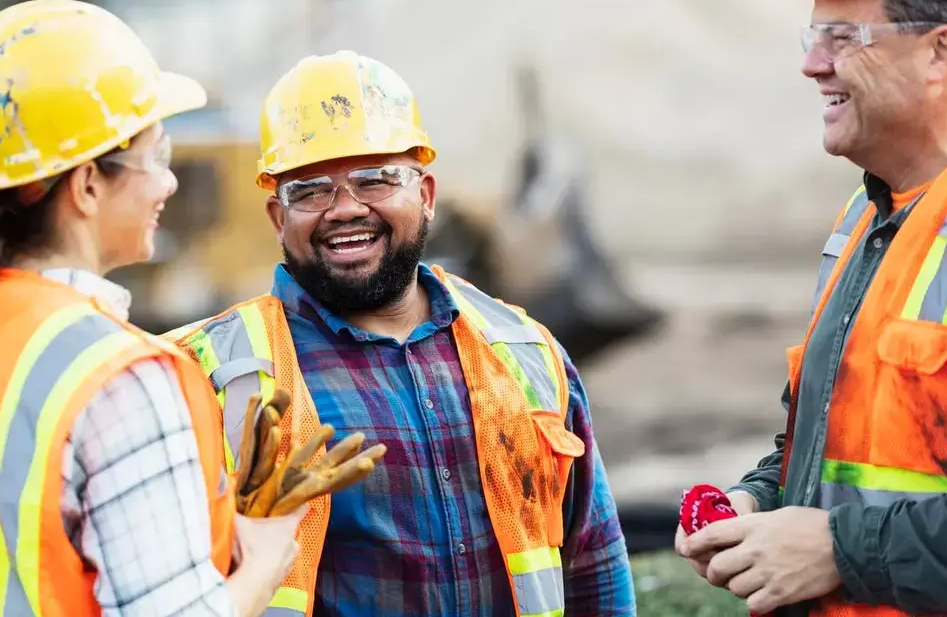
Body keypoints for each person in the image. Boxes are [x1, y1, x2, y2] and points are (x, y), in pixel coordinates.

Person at [0, 0, 304, 617]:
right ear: (87, 185)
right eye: (157, 157)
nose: (168, 183)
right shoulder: (122, 378)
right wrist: (265, 562)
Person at [165, 50, 636, 617]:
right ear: (276, 219)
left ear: (427, 195)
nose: (344, 209)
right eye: (310, 191)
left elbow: (593, 564)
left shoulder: (524, 351)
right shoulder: (204, 373)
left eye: (375, 180)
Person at [674, 0, 947, 614]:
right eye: (811, 37)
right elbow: (848, 451)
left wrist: (834, 550)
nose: (813, 65)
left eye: (842, 36)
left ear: (942, 51)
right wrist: (759, 498)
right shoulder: (866, 216)